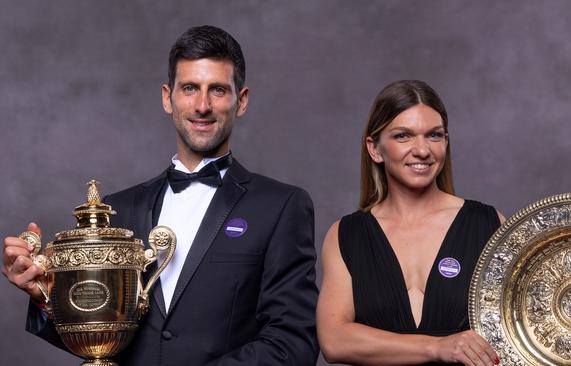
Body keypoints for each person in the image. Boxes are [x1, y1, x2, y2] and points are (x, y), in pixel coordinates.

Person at [2, 25, 319, 366]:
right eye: (189, 88)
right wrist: (43, 296)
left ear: (240, 101)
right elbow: (99, 330)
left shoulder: (281, 207)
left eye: (217, 90)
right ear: (167, 97)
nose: (202, 105)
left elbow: (293, 341)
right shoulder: (119, 211)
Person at [317, 80, 505, 366]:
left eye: (434, 135)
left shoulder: (487, 224)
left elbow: (518, 329)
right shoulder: (346, 235)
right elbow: (334, 341)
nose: (422, 150)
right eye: (403, 136)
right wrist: (439, 347)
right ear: (375, 149)